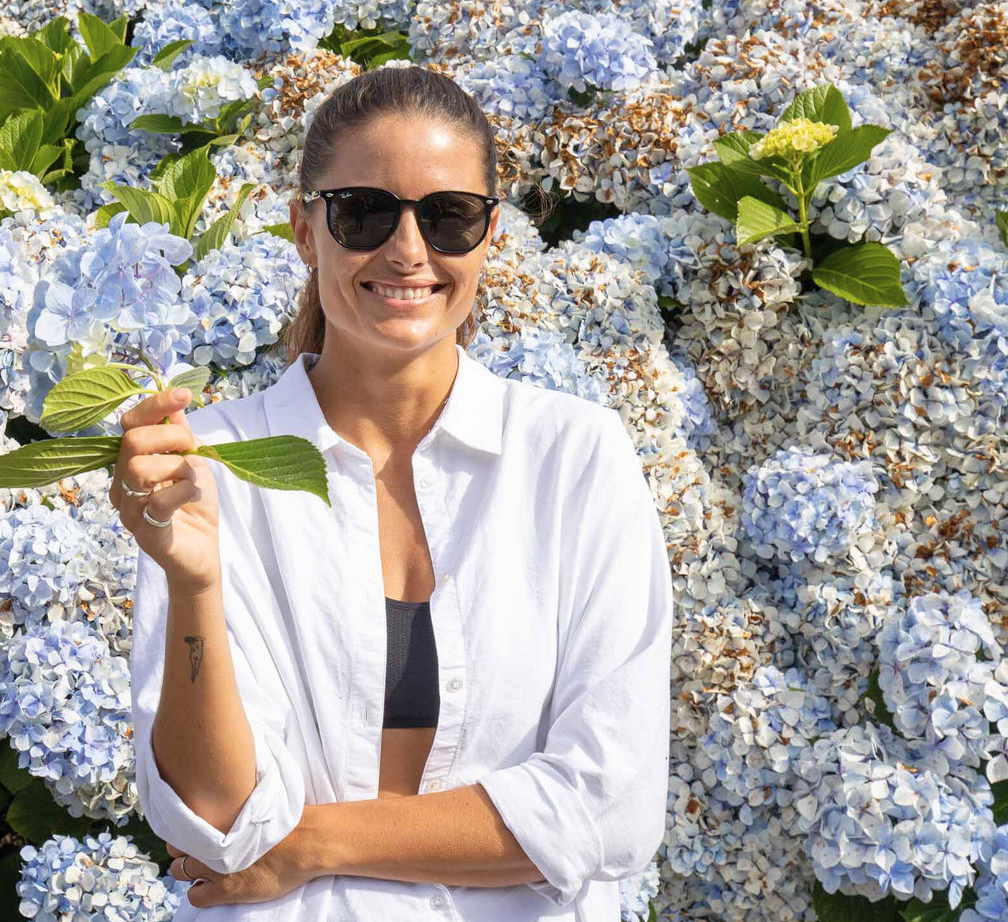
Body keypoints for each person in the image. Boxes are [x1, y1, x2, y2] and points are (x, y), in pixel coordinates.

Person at [109, 66, 673, 920]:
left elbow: (608, 806)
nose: (408, 250)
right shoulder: (217, 462)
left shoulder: (574, 458)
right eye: (365, 212)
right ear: (306, 230)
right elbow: (221, 824)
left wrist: (314, 844)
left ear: (489, 237)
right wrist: (193, 583)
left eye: (448, 217)